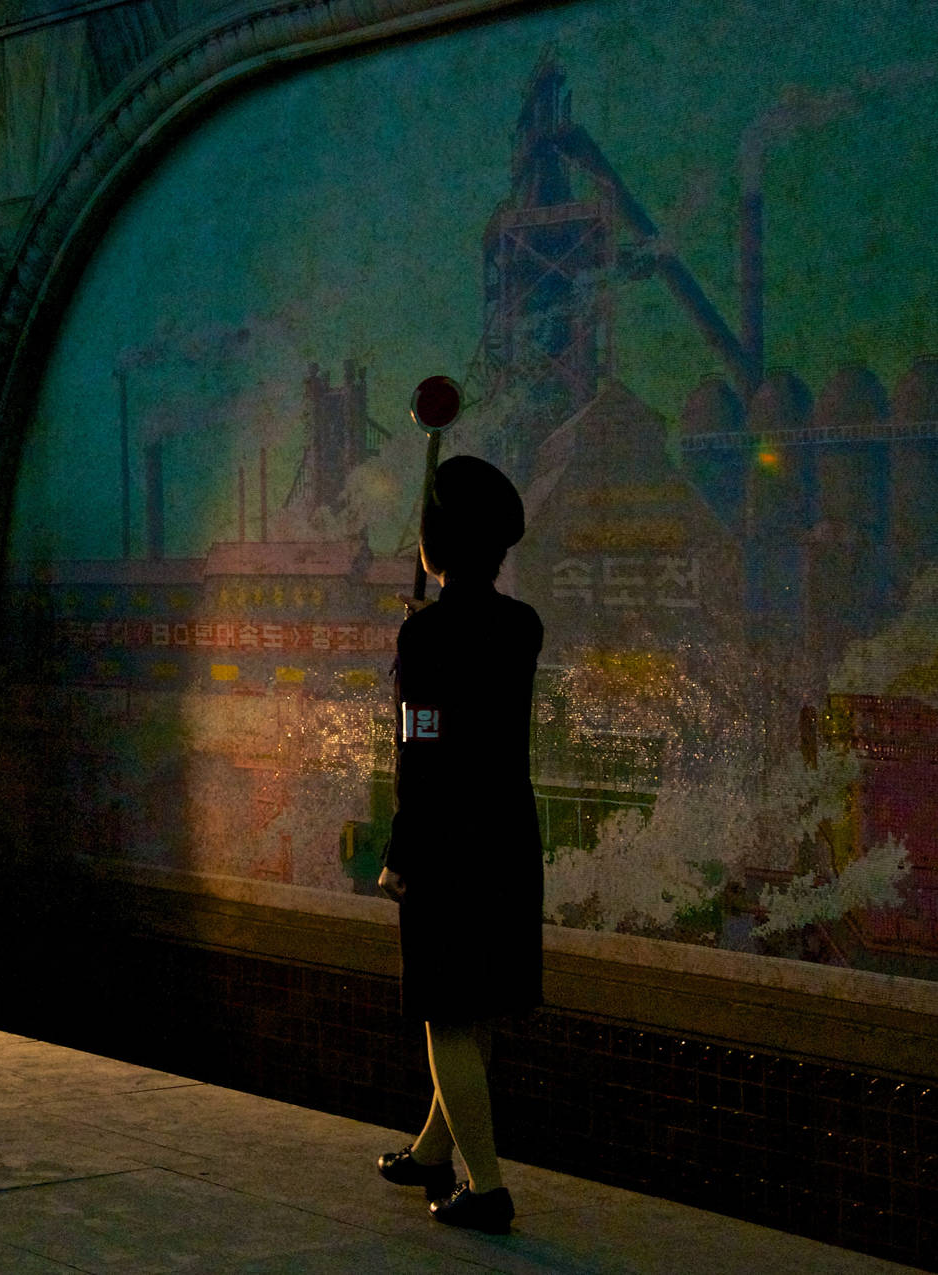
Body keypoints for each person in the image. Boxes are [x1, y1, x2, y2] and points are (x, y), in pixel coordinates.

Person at [373, 454, 543, 1235]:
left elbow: (421, 746)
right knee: (474, 1011)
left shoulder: (427, 636)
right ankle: (431, 1152)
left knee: (445, 1012)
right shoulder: (521, 626)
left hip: (445, 841)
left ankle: (488, 1186)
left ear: (435, 543)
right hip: (507, 835)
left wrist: (401, 849)